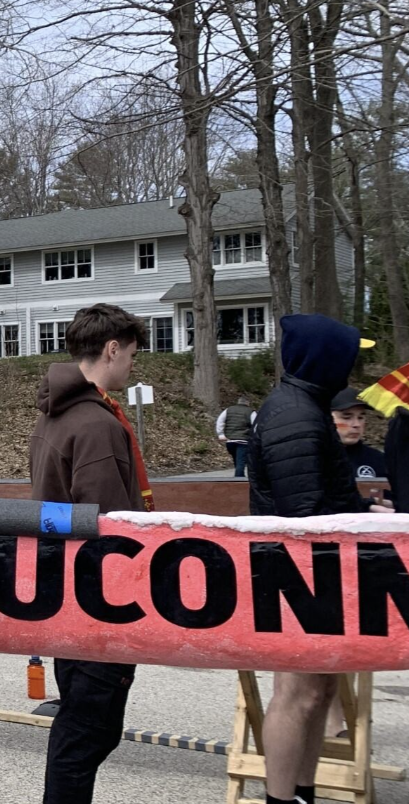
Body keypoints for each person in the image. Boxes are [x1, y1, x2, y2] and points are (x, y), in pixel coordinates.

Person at [247, 314, 387, 804]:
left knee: (320, 694)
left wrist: (369, 512)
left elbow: (327, 498)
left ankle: (302, 792)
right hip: (297, 575)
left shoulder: (307, 406)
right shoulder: (294, 414)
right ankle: (280, 798)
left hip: (318, 573)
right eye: (349, 355)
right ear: (327, 358)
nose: (354, 364)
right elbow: (303, 514)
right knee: (296, 694)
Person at [29, 303, 151, 804]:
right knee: (88, 732)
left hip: (65, 593)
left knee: (81, 725)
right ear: (111, 348)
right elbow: (111, 527)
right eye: (131, 356)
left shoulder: (55, 415)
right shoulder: (96, 425)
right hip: (98, 601)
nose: (132, 367)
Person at [330, 387, 389, 481]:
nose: (356, 424)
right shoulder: (311, 458)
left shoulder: (378, 459)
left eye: (360, 417)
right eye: (347, 418)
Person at [217, 396, 257, 477]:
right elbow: (256, 426)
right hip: (243, 441)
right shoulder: (251, 412)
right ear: (247, 403)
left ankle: (239, 476)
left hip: (230, 441)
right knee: (241, 461)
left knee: (237, 460)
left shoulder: (228, 410)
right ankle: (239, 480)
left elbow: (220, 421)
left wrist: (221, 434)